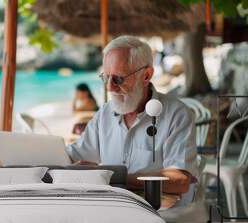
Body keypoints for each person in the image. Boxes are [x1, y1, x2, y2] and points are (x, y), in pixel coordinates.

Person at [66, 35, 198, 206]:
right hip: (116, 206)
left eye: (119, 79)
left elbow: (179, 180)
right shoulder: (105, 112)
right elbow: (74, 155)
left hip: (161, 213)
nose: (109, 87)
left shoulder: (177, 114)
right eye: (105, 77)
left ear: (146, 75)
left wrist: (111, 176)